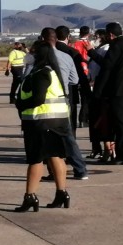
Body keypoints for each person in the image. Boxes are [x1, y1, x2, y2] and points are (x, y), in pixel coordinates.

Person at [13, 41, 71, 212]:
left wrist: (21, 104)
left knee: (35, 159)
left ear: (39, 54)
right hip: (56, 121)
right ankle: (62, 193)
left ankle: (30, 196)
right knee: (55, 156)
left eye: (31, 51)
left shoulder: (41, 74)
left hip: (41, 121)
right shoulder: (51, 72)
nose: (28, 54)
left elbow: (38, 99)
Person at [40, 28, 88, 180]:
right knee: (67, 137)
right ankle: (80, 169)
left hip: (44, 103)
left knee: (46, 139)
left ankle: (54, 171)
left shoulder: (39, 57)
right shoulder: (67, 56)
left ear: (42, 39)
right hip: (63, 101)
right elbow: (75, 80)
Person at [92, 22, 123, 165]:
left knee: (120, 124)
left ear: (111, 35)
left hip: (118, 91)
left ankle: (122, 155)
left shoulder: (116, 46)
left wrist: (98, 91)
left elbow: (107, 67)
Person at [72, 26, 93, 125]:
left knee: (74, 97)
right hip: (86, 71)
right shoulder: (89, 44)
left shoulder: (74, 44)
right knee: (86, 97)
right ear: (88, 33)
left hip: (76, 71)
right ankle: (83, 119)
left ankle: (76, 119)